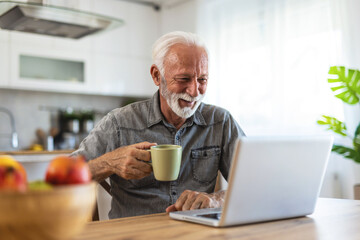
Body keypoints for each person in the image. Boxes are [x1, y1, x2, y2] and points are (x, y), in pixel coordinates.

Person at [72, 31, 245, 219]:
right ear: (157, 76)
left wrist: (215, 200)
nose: (195, 92)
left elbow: (257, 184)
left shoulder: (220, 122)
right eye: (183, 79)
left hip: (196, 233)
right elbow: (63, 177)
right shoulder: (119, 123)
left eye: (202, 79)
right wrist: (108, 163)